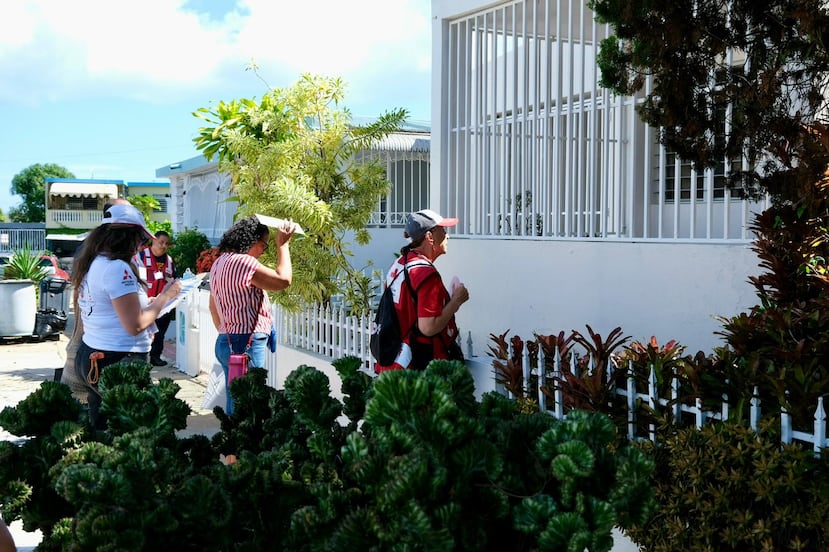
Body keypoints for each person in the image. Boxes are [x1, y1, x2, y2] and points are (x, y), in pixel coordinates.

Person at [71, 204, 182, 429]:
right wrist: (165, 297)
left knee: (103, 429)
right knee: (132, 435)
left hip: (93, 354)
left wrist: (146, 303)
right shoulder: (116, 268)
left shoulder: (93, 262)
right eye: (141, 240)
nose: (141, 246)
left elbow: (108, 306)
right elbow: (135, 325)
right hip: (119, 359)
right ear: (127, 238)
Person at [209, 216, 294, 413]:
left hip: (226, 340)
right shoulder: (243, 262)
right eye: (264, 244)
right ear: (252, 241)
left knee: (236, 400)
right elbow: (283, 280)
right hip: (245, 341)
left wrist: (228, 332)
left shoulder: (219, 262)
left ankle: (231, 441)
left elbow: (213, 306)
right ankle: (243, 443)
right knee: (250, 404)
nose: (264, 251)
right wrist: (283, 245)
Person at [375, 209, 470, 373]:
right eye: (443, 230)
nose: (448, 235)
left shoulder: (400, 263)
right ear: (429, 237)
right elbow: (428, 327)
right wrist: (456, 301)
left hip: (394, 361)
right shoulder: (425, 274)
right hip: (417, 368)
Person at [61, 198, 132, 399]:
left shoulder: (94, 246)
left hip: (91, 339)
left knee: (95, 403)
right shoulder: (109, 253)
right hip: (98, 340)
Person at [133, 231, 176, 366]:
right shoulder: (140, 257)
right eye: (160, 242)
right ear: (153, 241)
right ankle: (141, 357)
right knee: (144, 332)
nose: (163, 246)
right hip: (144, 303)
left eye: (166, 243)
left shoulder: (169, 260)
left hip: (163, 304)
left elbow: (173, 280)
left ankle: (155, 356)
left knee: (160, 332)